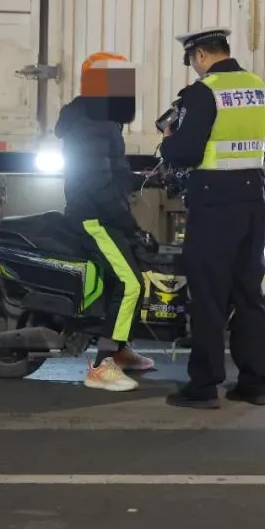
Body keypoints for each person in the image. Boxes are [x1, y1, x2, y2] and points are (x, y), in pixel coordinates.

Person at [159, 27, 265, 409]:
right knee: (248, 295)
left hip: (213, 203)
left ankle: (204, 386)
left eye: (192, 60)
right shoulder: (258, 87)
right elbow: (264, 140)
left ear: (201, 55)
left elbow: (186, 152)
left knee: (208, 297)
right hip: (252, 199)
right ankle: (254, 384)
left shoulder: (203, 92)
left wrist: (169, 139)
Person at [54, 51, 156, 392]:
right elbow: (98, 181)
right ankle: (102, 366)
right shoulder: (94, 121)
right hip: (95, 217)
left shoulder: (97, 117)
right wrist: (128, 223)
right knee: (130, 283)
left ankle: (121, 351)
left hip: (98, 212)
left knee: (124, 278)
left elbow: (109, 169)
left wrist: (141, 179)